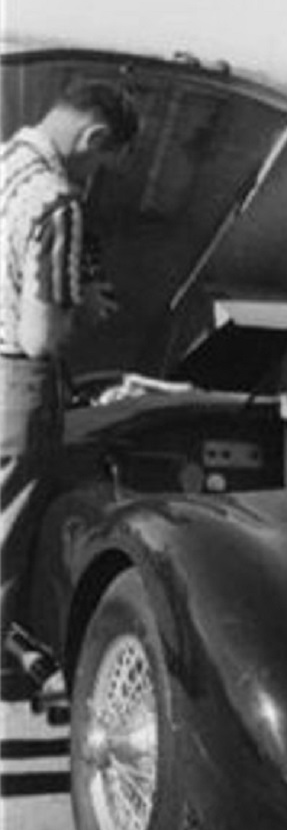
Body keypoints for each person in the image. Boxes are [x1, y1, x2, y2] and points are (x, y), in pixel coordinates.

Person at [1, 78, 138, 650]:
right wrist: (82, 309)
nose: (94, 174)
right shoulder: (57, 201)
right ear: (94, 135)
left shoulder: (7, 161)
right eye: (104, 160)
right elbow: (40, 338)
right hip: (15, 388)